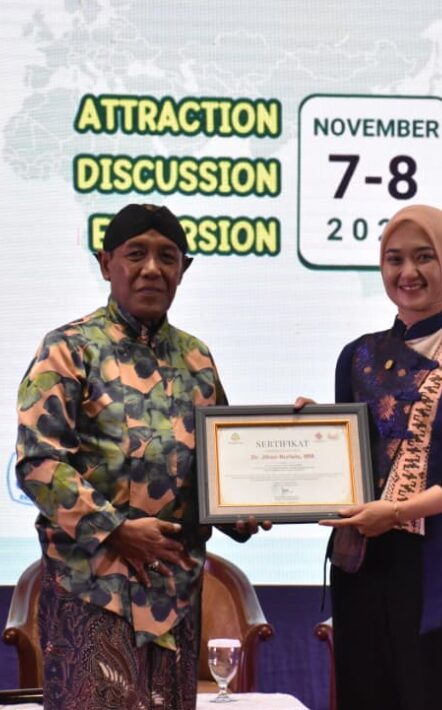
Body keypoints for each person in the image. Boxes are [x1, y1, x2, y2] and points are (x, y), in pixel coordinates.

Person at [15, 204, 264, 710]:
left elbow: (217, 467)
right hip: (93, 593)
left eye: (167, 257)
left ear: (183, 270)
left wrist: (250, 502)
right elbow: (39, 464)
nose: (152, 269)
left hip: (175, 596)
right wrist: (116, 529)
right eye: (136, 254)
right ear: (106, 263)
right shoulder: (69, 349)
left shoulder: (196, 359)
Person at [316, 204, 442, 710]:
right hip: (363, 567)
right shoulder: (357, 355)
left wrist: (401, 511)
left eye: (424, 257)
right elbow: (353, 455)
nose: (408, 272)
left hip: (440, 569)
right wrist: (309, 430)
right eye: (394, 259)